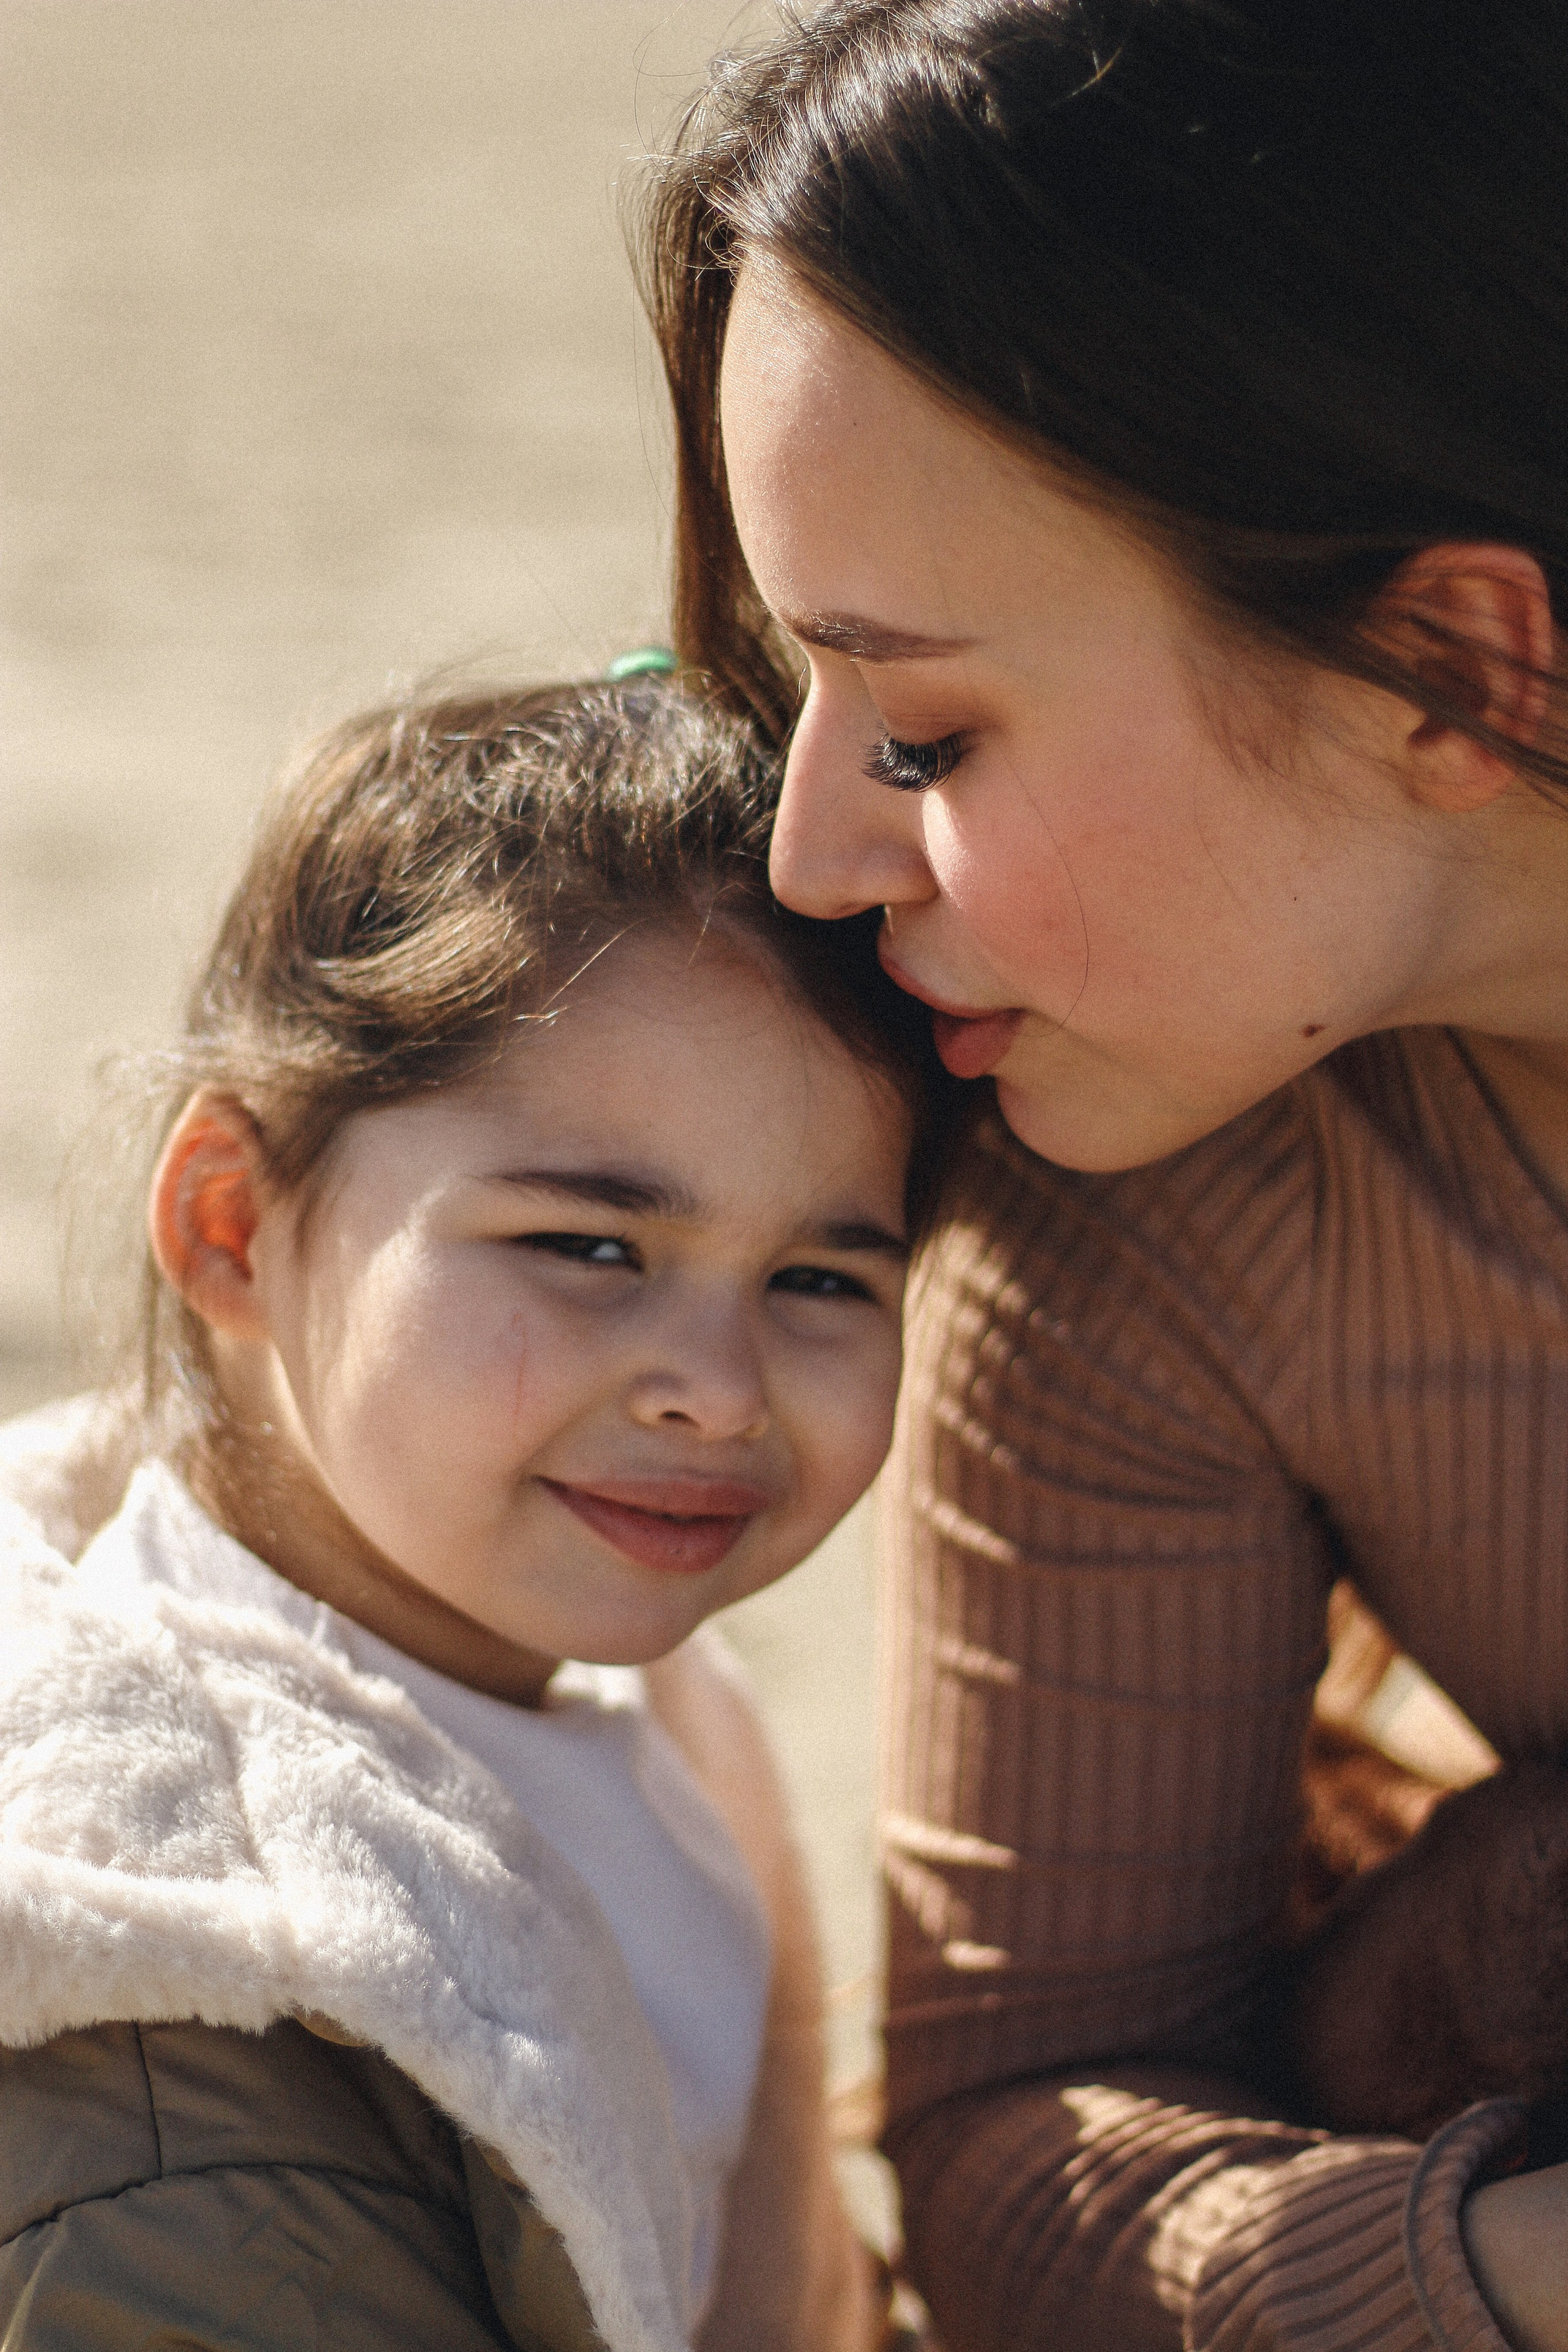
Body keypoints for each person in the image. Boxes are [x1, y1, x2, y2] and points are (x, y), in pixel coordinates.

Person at [636, 2, 1568, 2346]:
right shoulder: (1148, 1207)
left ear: (1449, 667)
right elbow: (1020, 2134)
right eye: (798, 697)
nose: (811, 851)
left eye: (927, 727)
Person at [0, 676, 943, 2352]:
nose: (716, 1388)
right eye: (588, 1248)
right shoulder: (172, 2004)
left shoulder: (653, 1727)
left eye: (817, 1278)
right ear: (233, 1225)